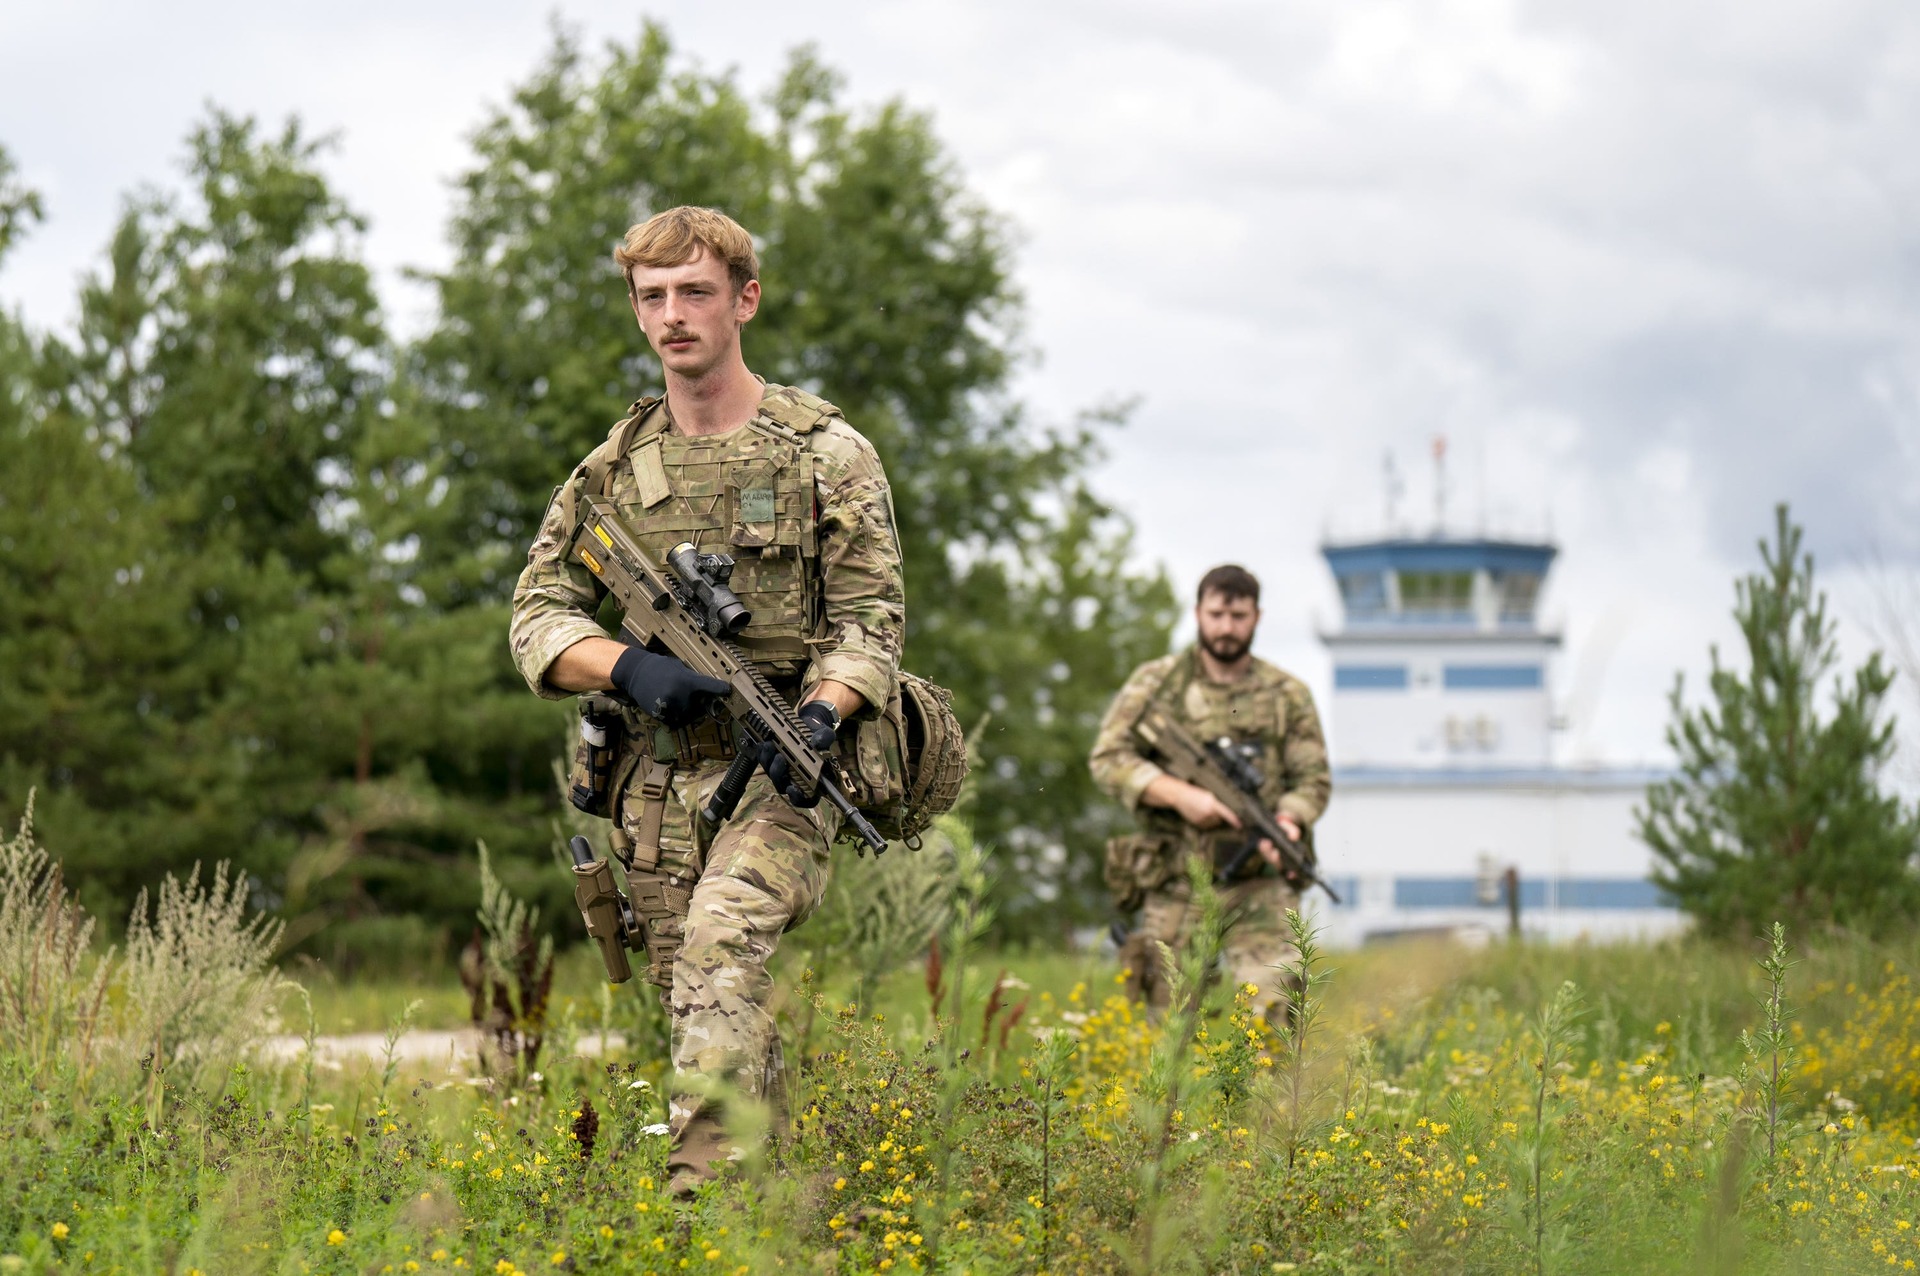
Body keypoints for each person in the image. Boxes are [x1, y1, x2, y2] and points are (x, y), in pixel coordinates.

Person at [508, 206, 904, 1196]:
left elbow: (872, 620)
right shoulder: (611, 471)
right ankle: (768, 1219)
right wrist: (627, 669)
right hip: (656, 784)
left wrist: (821, 710)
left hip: (785, 773)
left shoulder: (826, 455)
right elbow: (538, 611)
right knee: (702, 1000)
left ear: (745, 300)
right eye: (653, 296)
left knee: (724, 937)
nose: (673, 315)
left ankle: (699, 1208)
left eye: (695, 292)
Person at [1088, 564, 1330, 1025]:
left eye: (1238, 615)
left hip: (1260, 882)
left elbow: (1312, 778)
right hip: (1179, 879)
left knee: (1275, 1015)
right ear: (1198, 613)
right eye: (1217, 614)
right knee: (1166, 1027)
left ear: (1256, 616)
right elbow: (1108, 758)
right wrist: (1178, 795)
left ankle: (1272, 1101)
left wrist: (1289, 821)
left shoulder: (1287, 695)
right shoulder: (1158, 684)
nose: (1226, 627)